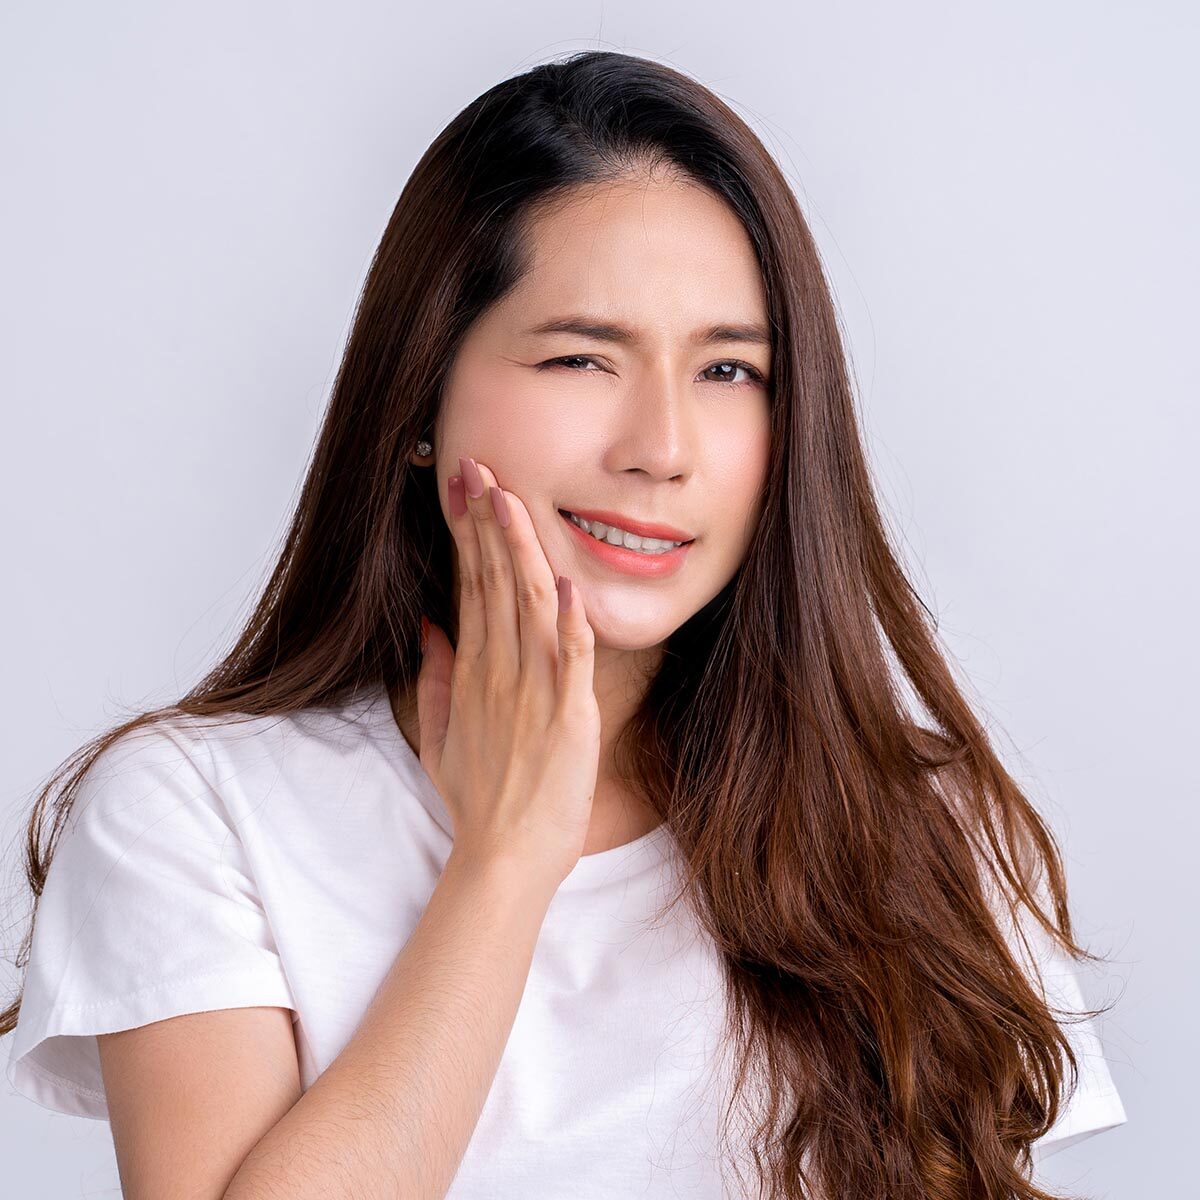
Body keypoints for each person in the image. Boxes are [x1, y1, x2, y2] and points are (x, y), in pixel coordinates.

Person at [2, 50, 1126, 1200]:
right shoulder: (196, 815)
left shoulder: (921, 829)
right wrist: (504, 866)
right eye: (583, 356)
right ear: (418, 400)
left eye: (730, 371)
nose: (662, 447)